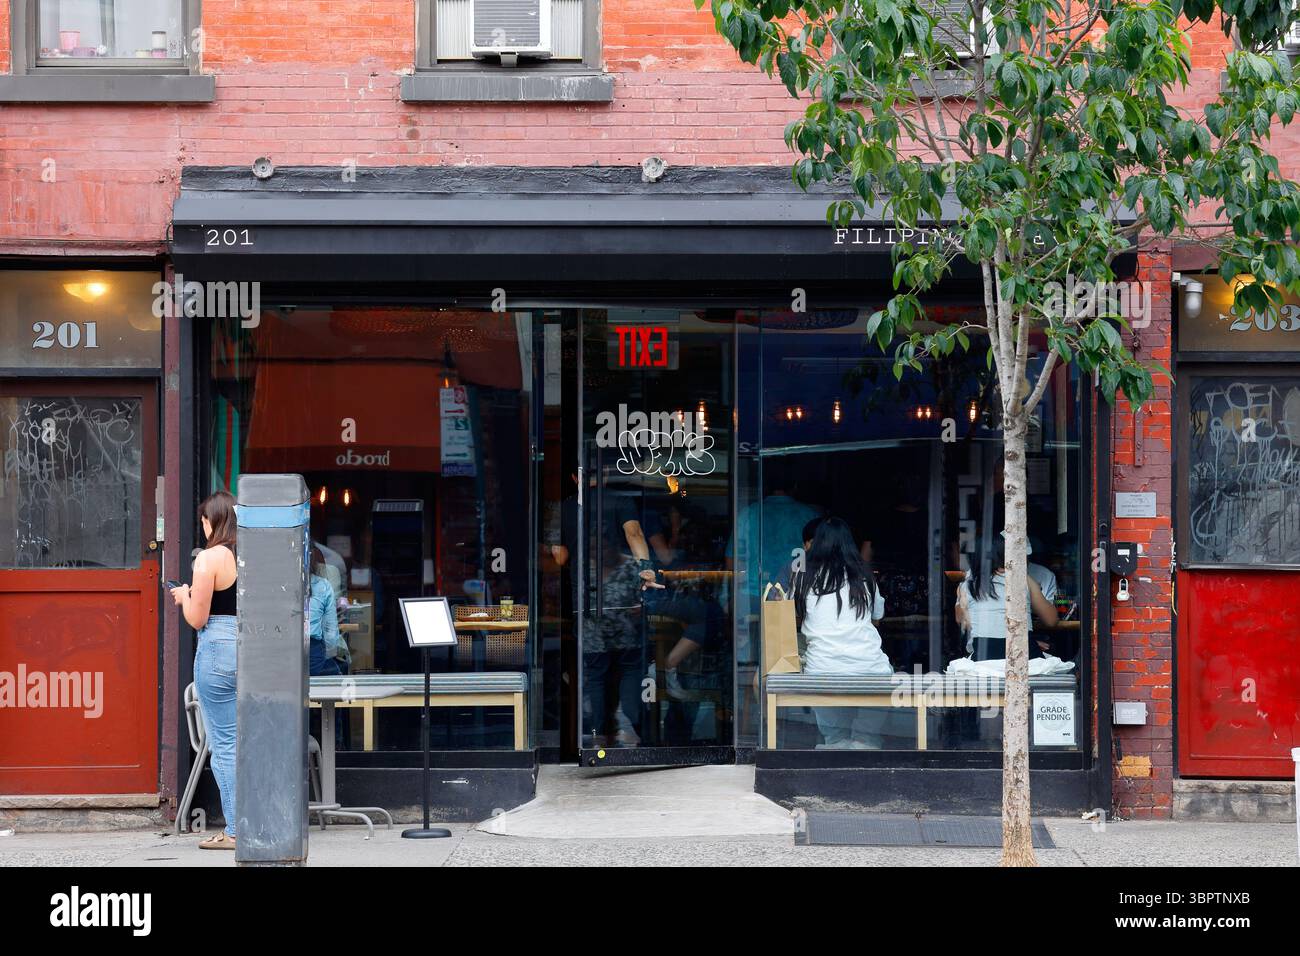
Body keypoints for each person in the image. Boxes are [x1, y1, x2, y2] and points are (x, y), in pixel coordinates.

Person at [171, 491, 240, 850]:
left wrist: (184, 597)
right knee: (244, 742)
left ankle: (234, 831)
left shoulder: (210, 557)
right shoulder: (248, 556)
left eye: (203, 520)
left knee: (225, 744)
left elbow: (198, 618)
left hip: (217, 647)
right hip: (248, 648)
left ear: (210, 521)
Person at [795, 517, 894, 749]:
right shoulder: (866, 578)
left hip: (822, 668)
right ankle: (865, 740)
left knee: (833, 732)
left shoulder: (802, 578)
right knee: (883, 674)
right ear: (850, 544)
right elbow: (876, 619)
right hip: (869, 667)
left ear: (816, 544)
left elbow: (794, 620)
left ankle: (835, 742)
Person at [956, 532, 1059, 661]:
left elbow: (965, 623)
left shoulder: (967, 586)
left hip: (984, 659)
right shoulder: (1024, 580)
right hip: (1025, 657)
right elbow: (1052, 620)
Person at [309, 546, 346, 676]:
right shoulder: (322, 585)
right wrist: (328, 653)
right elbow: (330, 633)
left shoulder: (275, 587)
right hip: (312, 652)